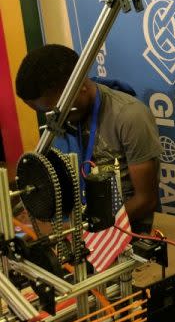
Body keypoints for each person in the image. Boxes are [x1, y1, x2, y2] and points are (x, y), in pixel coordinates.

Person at [15, 44, 161, 233]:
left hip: (122, 230)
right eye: (43, 112)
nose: (52, 119)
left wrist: (76, 230)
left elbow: (145, 200)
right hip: (73, 223)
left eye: (54, 110)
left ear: (80, 87)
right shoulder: (59, 117)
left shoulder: (129, 116)